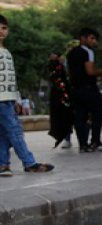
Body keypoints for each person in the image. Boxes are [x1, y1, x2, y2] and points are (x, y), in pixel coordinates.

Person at [0, 15, 54, 177]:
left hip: (8, 99)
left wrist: (16, 98)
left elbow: (11, 78)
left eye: (4, 28)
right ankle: (30, 163)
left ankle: (3, 165)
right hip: (1, 100)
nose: (1, 31)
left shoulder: (7, 52)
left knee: (4, 134)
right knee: (15, 132)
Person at [68, 27, 102, 152]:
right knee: (97, 114)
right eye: (92, 38)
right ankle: (95, 141)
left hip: (75, 89)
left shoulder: (71, 53)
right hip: (89, 88)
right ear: (83, 38)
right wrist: (101, 72)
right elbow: (90, 71)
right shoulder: (88, 52)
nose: (94, 41)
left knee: (80, 117)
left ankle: (83, 145)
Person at [47, 52, 74, 148]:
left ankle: (80, 139)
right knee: (63, 117)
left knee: (68, 116)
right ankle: (66, 138)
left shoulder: (63, 66)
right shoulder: (52, 67)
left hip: (66, 94)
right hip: (59, 95)